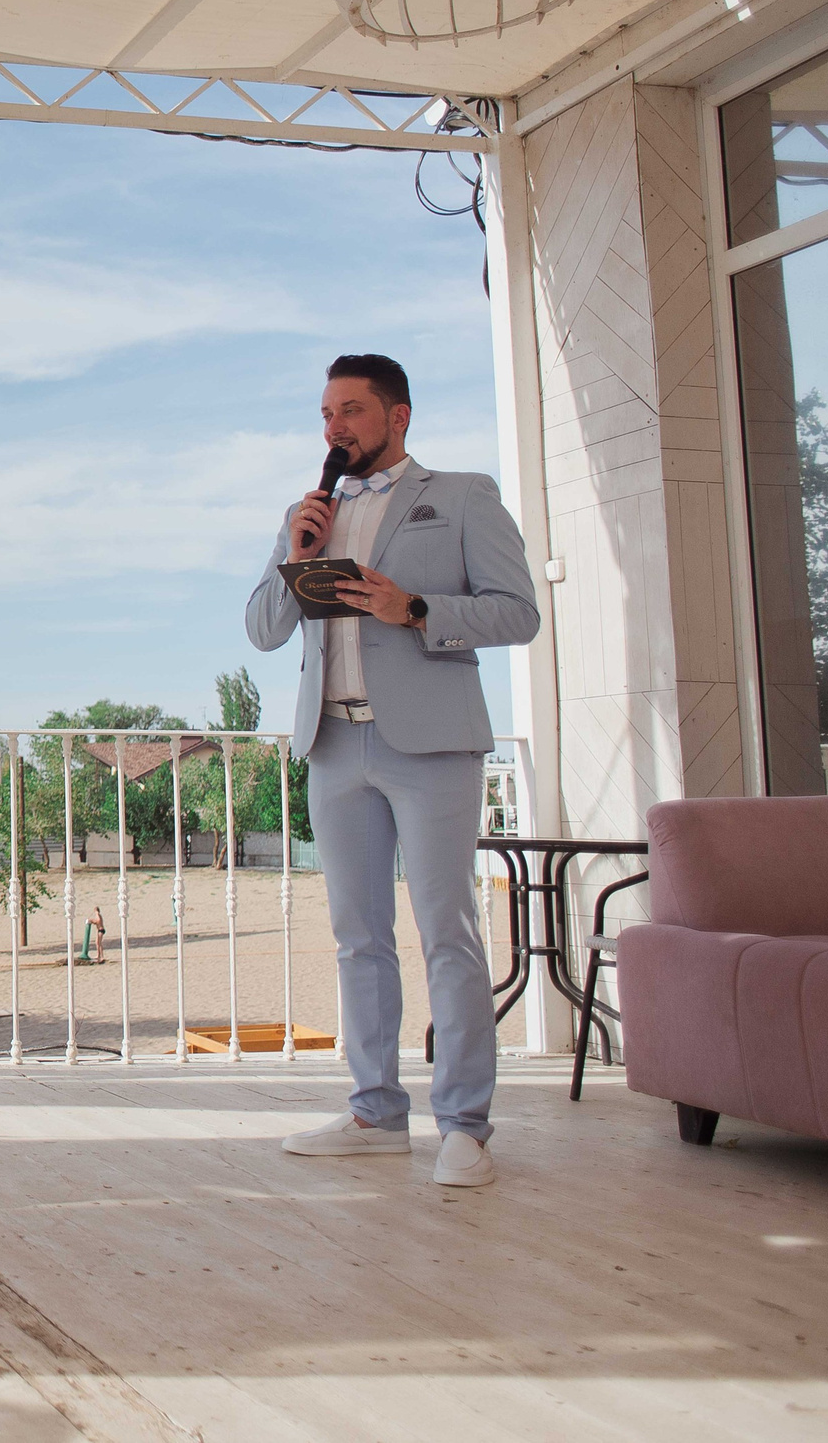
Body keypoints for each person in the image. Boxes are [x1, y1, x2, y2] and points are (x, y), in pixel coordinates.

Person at [245, 353, 539, 1189]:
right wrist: (296, 551)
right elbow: (263, 629)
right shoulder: (308, 513)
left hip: (431, 744)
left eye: (351, 410)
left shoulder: (464, 496)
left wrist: (412, 607)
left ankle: (465, 1126)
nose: (334, 427)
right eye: (326, 413)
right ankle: (375, 1113)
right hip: (334, 743)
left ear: (397, 416)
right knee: (359, 938)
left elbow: (518, 613)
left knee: (448, 931)